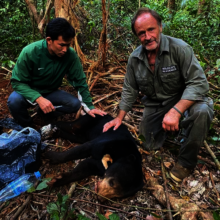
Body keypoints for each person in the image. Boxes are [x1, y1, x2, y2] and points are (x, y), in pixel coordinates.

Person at [103, 8, 214, 182]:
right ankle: (172, 129)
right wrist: (119, 118)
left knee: (202, 111)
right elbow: (130, 89)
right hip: (157, 104)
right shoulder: (135, 59)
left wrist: (176, 111)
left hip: (186, 99)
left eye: (151, 30)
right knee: (148, 144)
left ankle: (186, 162)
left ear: (160, 27)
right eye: (141, 33)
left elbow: (199, 83)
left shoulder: (180, 49)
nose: (147, 37)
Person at [8, 18, 106, 127]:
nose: (65, 49)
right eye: (61, 45)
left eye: (68, 45)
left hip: (51, 92)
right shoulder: (30, 52)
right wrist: (38, 98)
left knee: (74, 104)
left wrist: (90, 107)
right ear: (49, 40)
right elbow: (17, 82)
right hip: (30, 91)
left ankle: (45, 114)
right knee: (14, 101)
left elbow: (80, 81)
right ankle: (28, 127)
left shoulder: (70, 55)